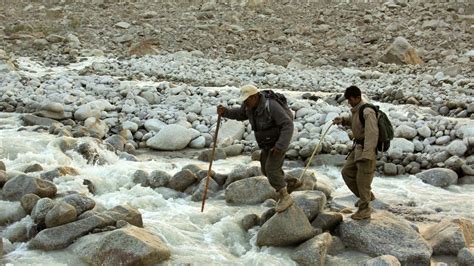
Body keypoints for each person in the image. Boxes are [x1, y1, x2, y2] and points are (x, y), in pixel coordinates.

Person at [217, 85, 294, 212]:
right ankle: (291, 182)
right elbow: (240, 114)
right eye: (244, 100)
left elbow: (288, 125)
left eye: (246, 100)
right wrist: (225, 112)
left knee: (272, 169)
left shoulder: (271, 106)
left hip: (278, 142)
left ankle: (285, 197)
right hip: (266, 143)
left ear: (254, 97)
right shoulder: (249, 106)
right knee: (265, 170)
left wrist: (280, 146)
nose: (245, 103)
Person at [333, 85, 378, 220]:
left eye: (350, 99)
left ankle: (365, 209)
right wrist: (343, 120)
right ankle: (366, 197)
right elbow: (355, 122)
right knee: (346, 172)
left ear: (358, 98)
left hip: (365, 149)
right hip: (358, 147)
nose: (349, 102)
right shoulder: (358, 110)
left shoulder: (367, 111)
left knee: (363, 180)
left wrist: (368, 154)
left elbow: (372, 133)